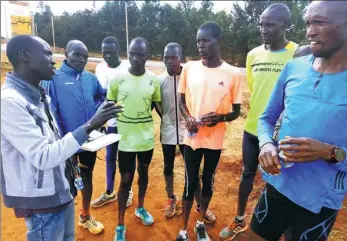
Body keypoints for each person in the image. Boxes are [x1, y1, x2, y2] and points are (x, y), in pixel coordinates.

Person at [1, 34, 123, 241]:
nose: (53, 59)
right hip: (41, 201)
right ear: (25, 57)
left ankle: (85, 214)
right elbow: (43, 156)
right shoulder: (11, 102)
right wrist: (91, 124)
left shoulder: (39, 94)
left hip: (60, 188)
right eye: (47, 53)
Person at [249, 1, 347, 240]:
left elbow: (337, 154)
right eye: (308, 23)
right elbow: (266, 119)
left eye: (319, 22)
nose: (310, 31)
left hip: (320, 202)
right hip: (278, 184)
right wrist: (266, 144)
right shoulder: (294, 68)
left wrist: (331, 152)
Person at [219, 3, 299, 240]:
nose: (263, 29)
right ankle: (240, 219)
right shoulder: (253, 54)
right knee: (247, 174)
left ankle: (285, 229)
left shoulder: (298, 53)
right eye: (261, 24)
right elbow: (255, 89)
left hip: (284, 134)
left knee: (282, 185)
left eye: (270, 24)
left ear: (286, 25)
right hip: (253, 128)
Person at [175, 21, 244, 241]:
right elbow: (181, 100)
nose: (200, 45)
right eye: (198, 40)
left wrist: (220, 117)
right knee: (189, 182)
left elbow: (236, 112)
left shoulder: (233, 73)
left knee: (208, 181)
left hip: (214, 140)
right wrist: (188, 119)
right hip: (192, 139)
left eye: (205, 40)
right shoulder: (189, 68)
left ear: (218, 41)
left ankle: (200, 222)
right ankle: (184, 230)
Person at [47, 40, 106, 234]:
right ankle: (63, 221)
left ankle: (85, 215)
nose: (81, 60)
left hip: (88, 142)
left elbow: (102, 96)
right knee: (66, 181)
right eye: (77, 55)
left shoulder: (90, 78)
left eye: (85, 56)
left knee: (86, 176)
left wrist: (96, 114)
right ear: (66, 53)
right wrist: (61, 139)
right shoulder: (53, 79)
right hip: (64, 143)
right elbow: (51, 112)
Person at [107, 37, 161, 241]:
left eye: (140, 54)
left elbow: (155, 106)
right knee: (126, 179)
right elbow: (109, 106)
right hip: (126, 141)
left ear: (147, 56)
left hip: (146, 139)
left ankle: (140, 207)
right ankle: (120, 225)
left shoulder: (153, 80)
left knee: (144, 173)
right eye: (132, 54)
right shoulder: (117, 79)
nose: (135, 58)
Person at [156, 43, 216, 222]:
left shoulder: (190, 78)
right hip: (167, 130)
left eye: (173, 57)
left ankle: (199, 204)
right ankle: (171, 198)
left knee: (192, 169)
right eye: (166, 57)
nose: (169, 60)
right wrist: (167, 119)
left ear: (180, 57)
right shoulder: (160, 80)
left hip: (188, 132)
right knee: (168, 166)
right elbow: (158, 105)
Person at [91, 36, 133, 208]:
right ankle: (109, 192)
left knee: (125, 160)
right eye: (105, 52)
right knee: (109, 157)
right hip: (109, 123)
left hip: (126, 122)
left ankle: (128, 190)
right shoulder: (100, 68)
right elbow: (98, 95)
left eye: (111, 52)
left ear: (119, 51)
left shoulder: (128, 68)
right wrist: (100, 122)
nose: (108, 56)